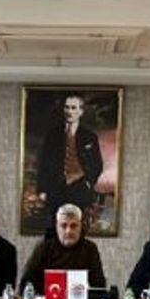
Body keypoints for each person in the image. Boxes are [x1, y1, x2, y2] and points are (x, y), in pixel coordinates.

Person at [35, 93, 102, 233]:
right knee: (54, 231)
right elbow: (44, 164)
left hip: (79, 188)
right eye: (66, 107)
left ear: (81, 111)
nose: (69, 111)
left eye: (73, 108)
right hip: (56, 188)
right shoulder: (53, 135)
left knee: (79, 231)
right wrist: (42, 189)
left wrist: (88, 182)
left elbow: (97, 164)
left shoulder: (90, 137)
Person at [18, 203, 107, 294]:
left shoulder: (90, 248)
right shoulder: (44, 247)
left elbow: (99, 286)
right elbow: (26, 283)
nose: (68, 231)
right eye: (64, 226)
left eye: (73, 226)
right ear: (57, 227)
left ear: (80, 227)